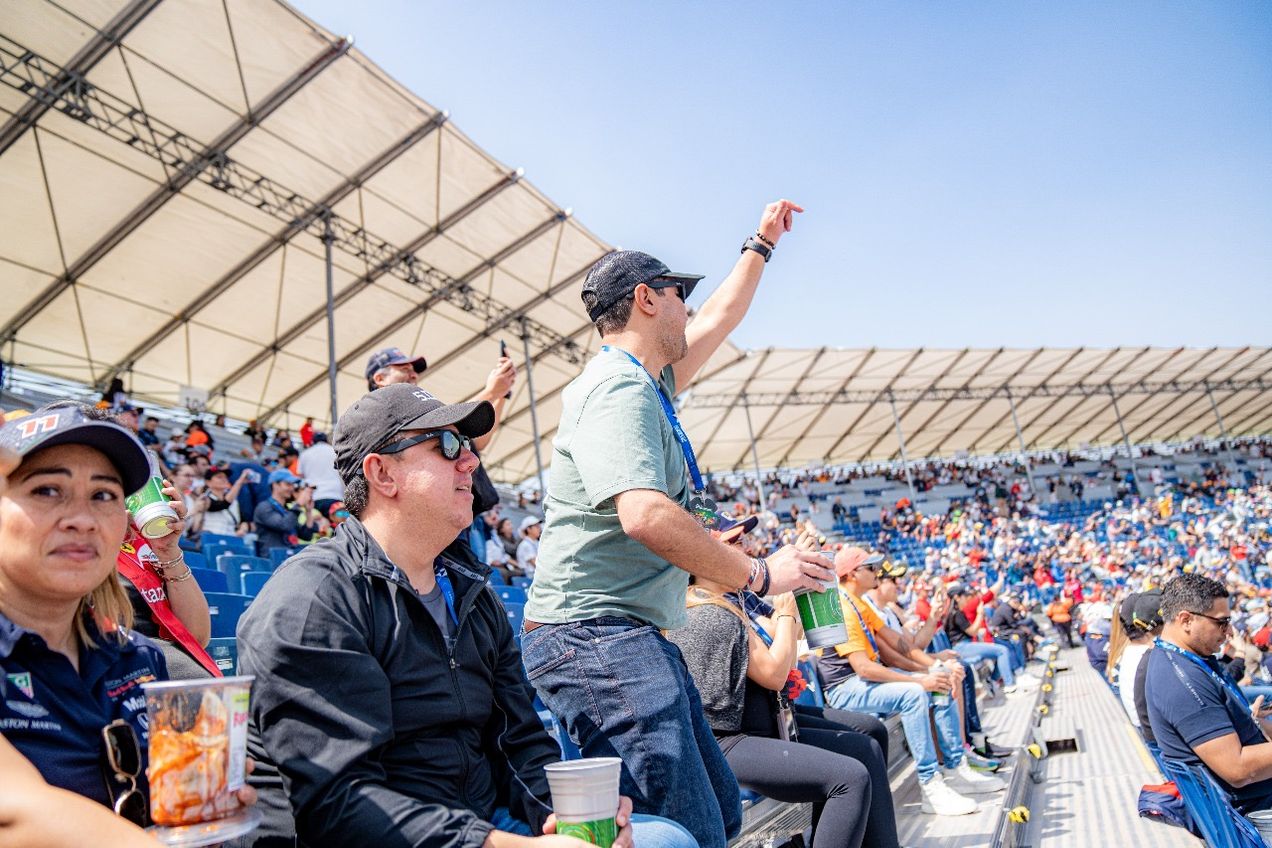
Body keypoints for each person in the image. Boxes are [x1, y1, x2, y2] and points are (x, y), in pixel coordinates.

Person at [235, 384, 695, 848]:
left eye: (468, 445)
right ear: (382, 474)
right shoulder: (313, 601)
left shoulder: (471, 591)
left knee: (667, 838)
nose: (471, 460)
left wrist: (558, 815)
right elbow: (341, 808)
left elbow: (519, 742)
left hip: (479, 821)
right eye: (447, 445)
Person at [521, 201, 837, 847]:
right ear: (645, 299)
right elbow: (644, 514)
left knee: (715, 812)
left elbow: (721, 316)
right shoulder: (619, 389)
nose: (688, 308)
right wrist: (757, 575)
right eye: (677, 294)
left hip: (624, 635)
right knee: (685, 827)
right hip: (596, 640)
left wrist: (761, 245)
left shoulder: (646, 382)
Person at [0, 404, 254, 825]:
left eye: (104, 495)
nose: (82, 519)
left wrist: (189, 809)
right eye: (46, 490)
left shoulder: (140, 660)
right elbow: (22, 817)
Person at [668, 564, 898, 848]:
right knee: (849, 778)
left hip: (759, 724)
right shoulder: (708, 611)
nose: (742, 554)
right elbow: (777, 675)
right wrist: (787, 612)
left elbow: (787, 661)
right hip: (723, 742)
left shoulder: (728, 602)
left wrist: (800, 591)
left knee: (866, 745)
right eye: (733, 545)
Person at [818, 547, 1003, 816]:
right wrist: (919, 681)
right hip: (845, 687)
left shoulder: (857, 603)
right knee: (914, 694)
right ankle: (930, 784)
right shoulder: (838, 607)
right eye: (871, 569)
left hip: (862, 679)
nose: (878, 574)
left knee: (939, 682)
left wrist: (932, 667)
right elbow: (864, 669)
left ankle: (954, 766)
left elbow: (902, 646)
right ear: (854, 574)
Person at [1146, 572, 1272, 813]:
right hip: (1258, 809)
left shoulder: (1188, 660)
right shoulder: (1180, 679)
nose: (1228, 632)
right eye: (1221, 622)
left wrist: (1252, 719)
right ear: (1186, 620)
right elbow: (1238, 769)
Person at [251, 468, 316, 555]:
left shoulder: (286, 510)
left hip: (288, 558)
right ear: (275, 485)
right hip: (272, 560)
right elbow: (284, 525)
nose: (292, 488)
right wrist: (298, 504)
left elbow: (306, 536)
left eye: (292, 485)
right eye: (288, 484)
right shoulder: (264, 507)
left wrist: (309, 512)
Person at [296, 432, 343, 517]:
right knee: (338, 526)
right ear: (327, 441)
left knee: (318, 527)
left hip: (314, 498)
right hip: (336, 496)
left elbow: (300, 476)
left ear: (312, 441)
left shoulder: (305, 454)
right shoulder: (335, 452)